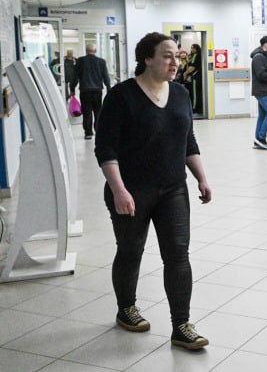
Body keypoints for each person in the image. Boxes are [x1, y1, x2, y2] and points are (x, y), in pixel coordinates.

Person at [95, 32, 212, 350]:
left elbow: (188, 141)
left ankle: (181, 325)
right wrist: (119, 190)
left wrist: (201, 178)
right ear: (147, 59)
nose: (175, 62)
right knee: (130, 250)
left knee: (178, 255)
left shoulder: (180, 94)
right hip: (131, 190)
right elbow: (105, 148)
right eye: (167, 56)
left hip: (173, 189)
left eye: (177, 56)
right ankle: (126, 308)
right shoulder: (122, 96)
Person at [71, 42, 112, 140]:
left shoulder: (80, 61)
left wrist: (72, 88)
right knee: (98, 112)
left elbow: (74, 76)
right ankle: (98, 131)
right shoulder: (101, 62)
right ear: (95, 51)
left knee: (87, 112)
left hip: (85, 91)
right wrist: (108, 88)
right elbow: (106, 76)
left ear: (86, 51)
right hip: (97, 91)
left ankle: (88, 133)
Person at [183, 44, 203, 114]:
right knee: (198, 93)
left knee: (195, 94)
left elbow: (192, 67)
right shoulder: (200, 55)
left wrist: (185, 73)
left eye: (193, 48)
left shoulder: (195, 56)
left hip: (195, 77)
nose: (192, 49)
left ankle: (194, 108)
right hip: (199, 77)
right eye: (191, 48)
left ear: (197, 49)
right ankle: (198, 108)